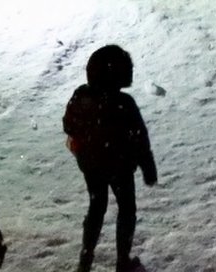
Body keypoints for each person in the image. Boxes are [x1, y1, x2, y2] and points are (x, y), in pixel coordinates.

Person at [64, 44, 158, 272]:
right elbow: (139, 138)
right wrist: (148, 166)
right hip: (120, 167)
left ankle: (86, 258)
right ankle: (122, 261)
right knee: (127, 209)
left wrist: (81, 142)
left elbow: (68, 124)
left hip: (91, 165)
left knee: (97, 206)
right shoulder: (124, 104)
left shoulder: (81, 95)